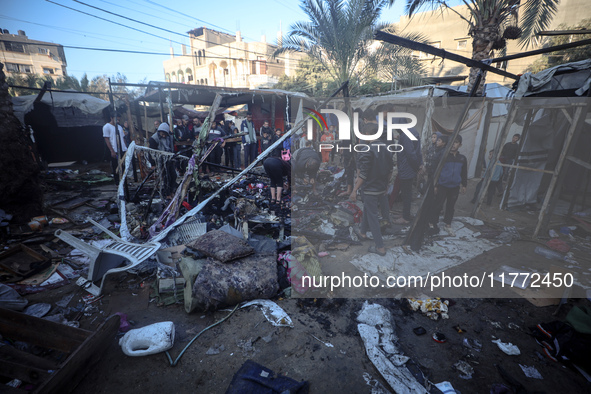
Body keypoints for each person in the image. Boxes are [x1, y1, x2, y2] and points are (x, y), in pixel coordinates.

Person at [349, 109, 393, 256]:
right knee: (369, 209)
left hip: (370, 189)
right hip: (381, 187)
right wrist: (386, 185)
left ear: (367, 135)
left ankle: (380, 247)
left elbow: (364, 174)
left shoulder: (367, 150)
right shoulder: (387, 148)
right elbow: (390, 169)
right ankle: (362, 232)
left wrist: (354, 190)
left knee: (373, 217)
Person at [428, 135, 467, 237]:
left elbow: (464, 172)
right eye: (452, 142)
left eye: (456, 142)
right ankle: (432, 223)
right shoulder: (442, 156)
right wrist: (435, 185)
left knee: (451, 206)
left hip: (454, 187)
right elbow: (435, 171)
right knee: (437, 205)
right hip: (442, 185)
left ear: (460, 145)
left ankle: (447, 224)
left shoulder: (462, 158)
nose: (453, 144)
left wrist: (464, 185)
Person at [395, 116, 423, 224]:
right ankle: (405, 213)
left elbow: (411, 154)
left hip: (407, 167)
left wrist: (416, 167)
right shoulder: (412, 131)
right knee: (406, 192)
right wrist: (419, 165)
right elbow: (418, 150)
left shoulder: (406, 135)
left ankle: (405, 217)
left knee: (406, 193)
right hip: (409, 167)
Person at [103, 113, 127, 183]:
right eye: (116, 119)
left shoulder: (119, 127)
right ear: (111, 118)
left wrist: (126, 148)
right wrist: (112, 150)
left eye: (119, 120)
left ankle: (124, 182)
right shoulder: (106, 127)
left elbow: (123, 138)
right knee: (116, 167)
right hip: (115, 150)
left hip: (122, 149)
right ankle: (117, 182)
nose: (118, 121)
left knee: (123, 167)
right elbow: (106, 139)